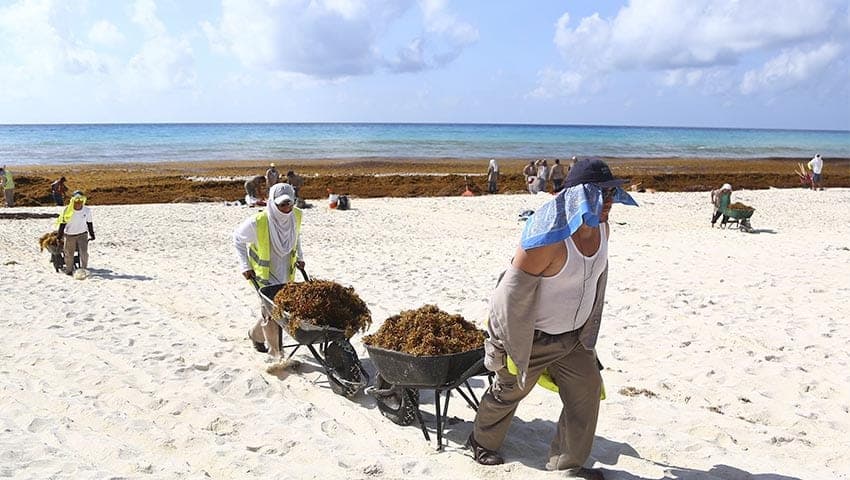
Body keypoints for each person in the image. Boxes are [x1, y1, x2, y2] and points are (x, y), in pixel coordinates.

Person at [468, 158, 638, 478]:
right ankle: (481, 441)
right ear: (579, 197)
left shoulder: (603, 228)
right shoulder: (548, 241)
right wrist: (498, 345)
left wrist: (589, 331)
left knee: (587, 393)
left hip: (573, 338)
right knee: (509, 391)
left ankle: (567, 464)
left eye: (612, 193)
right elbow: (507, 297)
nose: (610, 201)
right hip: (533, 339)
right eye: (602, 194)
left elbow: (595, 281)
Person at [233, 183, 305, 357]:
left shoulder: (296, 215)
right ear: (273, 202)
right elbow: (237, 239)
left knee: (278, 311)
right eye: (282, 204)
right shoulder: (258, 222)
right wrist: (245, 266)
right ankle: (277, 355)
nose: (287, 208)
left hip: (286, 272)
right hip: (264, 275)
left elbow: (296, 238)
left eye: (290, 203)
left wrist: (300, 257)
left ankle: (255, 335)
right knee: (272, 313)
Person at [56, 191, 95, 275]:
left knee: (84, 253)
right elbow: (62, 224)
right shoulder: (67, 210)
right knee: (69, 254)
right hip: (70, 235)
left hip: (82, 234)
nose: (78, 203)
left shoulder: (87, 210)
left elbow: (89, 223)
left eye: (80, 201)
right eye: (76, 201)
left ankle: (84, 269)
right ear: (73, 201)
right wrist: (59, 236)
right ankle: (69, 270)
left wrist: (92, 234)